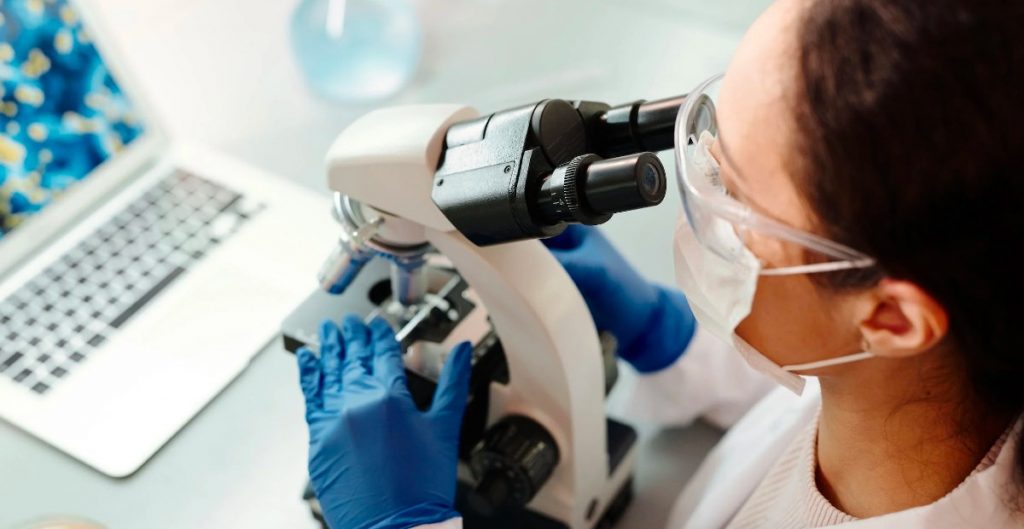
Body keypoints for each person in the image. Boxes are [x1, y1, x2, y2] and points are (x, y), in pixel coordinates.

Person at [294, 0, 1024, 527]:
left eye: (732, 189)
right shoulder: (926, 393)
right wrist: (673, 346)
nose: (698, 185)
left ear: (891, 317)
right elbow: (816, 398)